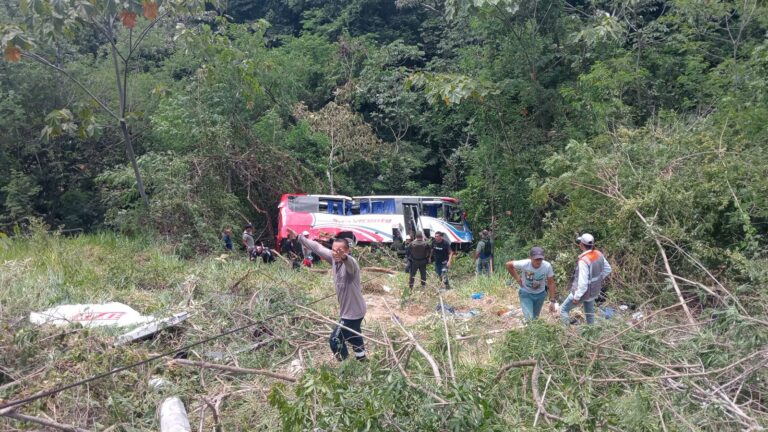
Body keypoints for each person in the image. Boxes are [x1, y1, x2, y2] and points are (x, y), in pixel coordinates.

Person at [288, 227, 367, 361]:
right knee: (354, 336)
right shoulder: (333, 259)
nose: (335, 253)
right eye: (334, 250)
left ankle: (347, 367)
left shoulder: (351, 264)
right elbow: (317, 247)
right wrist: (298, 237)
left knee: (335, 340)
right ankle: (362, 359)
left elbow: (350, 263)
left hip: (352, 313)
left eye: (340, 250)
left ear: (347, 251)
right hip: (352, 311)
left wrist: (344, 257)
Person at [561, 233, 613, 326]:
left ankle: (566, 334)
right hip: (594, 291)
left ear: (581, 245)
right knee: (589, 315)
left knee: (563, 310)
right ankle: (591, 335)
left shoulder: (584, 260)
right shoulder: (598, 253)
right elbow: (608, 269)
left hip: (583, 292)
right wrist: (596, 281)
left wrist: (577, 297)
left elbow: (583, 283)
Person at [506, 246, 557, 320]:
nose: (538, 261)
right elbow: (508, 265)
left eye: (540, 259)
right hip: (526, 293)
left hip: (540, 294)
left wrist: (552, 301)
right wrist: (518, 278)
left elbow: (551, 283)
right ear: (530, 258)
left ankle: (532, 331)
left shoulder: (547, 266)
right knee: (529, 319)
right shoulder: (525, 263)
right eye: (536, 259)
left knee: (535, 319)